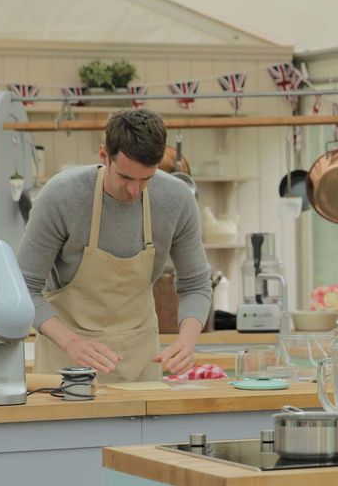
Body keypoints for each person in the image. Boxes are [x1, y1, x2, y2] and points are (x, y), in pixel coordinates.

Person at [19, 109, 212, 383]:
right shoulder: (62, 197)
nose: (135, 190)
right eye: (125, 177)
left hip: (140, 363)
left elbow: (196, 284)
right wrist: (72, 343)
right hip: (68, 365)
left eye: (146, 179)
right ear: (103, 156)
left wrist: (187, 340)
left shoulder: (177, 200)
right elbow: (24, 287)